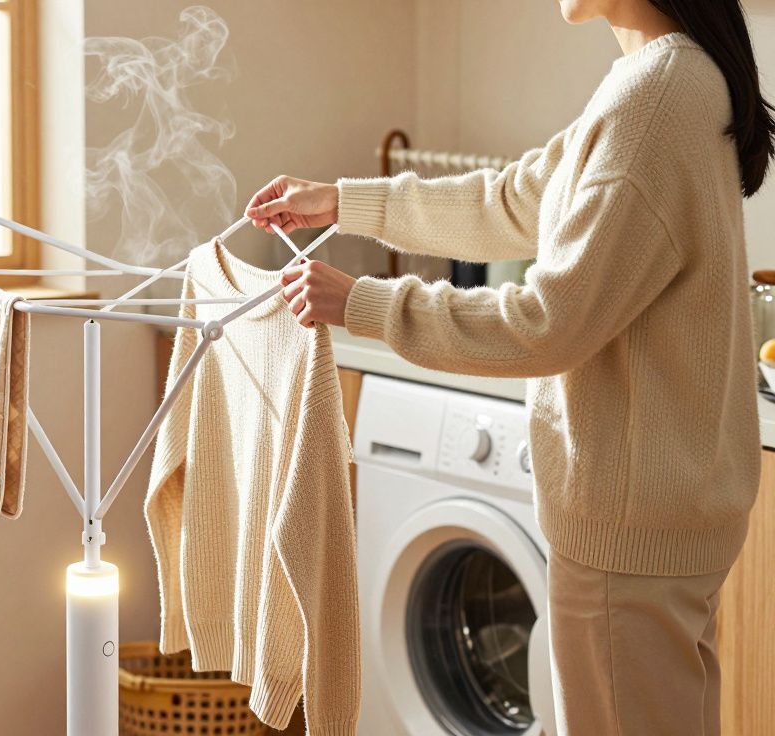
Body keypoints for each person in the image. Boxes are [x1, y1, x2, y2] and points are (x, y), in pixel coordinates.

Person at [244, 0, 771, 734]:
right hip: (653, 524)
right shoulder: (664, 80)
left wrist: (361, 302)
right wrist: (341, 202)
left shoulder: (656, 96)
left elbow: (546, 324)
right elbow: (512, 200)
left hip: (626, 533)